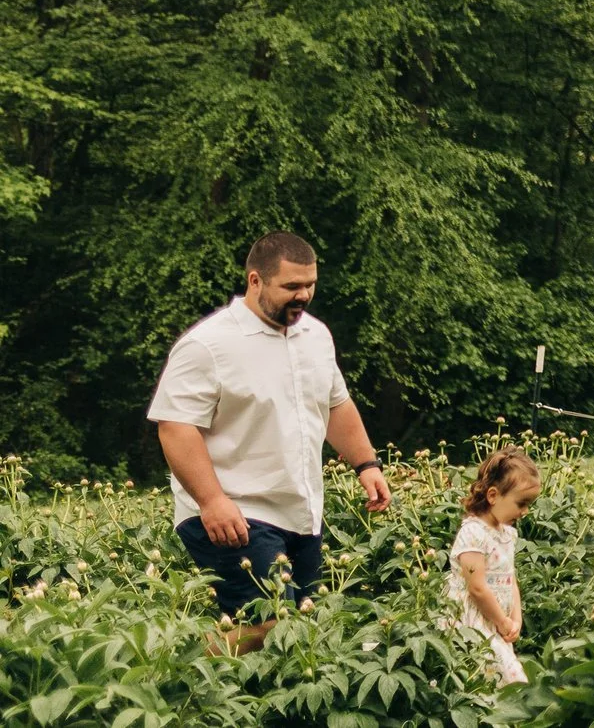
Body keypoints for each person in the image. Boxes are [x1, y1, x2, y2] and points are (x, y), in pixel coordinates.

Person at [146, 231, 392, 648]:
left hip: (301, 510)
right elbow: (175, 427)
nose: (304, 295)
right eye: (291, 286)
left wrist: (366, 464)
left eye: (310, 285)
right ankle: (170, 665)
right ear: (255, 280)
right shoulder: (208, 344)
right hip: (234, 509)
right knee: (274, 625)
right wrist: (212, 501)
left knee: (304, 630)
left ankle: (217, 678)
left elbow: (336, 404)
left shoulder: (317, 336)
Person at [447, 447, 540, 685]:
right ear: (492, 495)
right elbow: (476, 588)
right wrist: (501, 621)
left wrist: (515, 620)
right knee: (506, 680)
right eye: (521, 503)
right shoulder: (473, 534)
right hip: (473, 623)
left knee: (498, 679)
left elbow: (510, 578)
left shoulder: (507, 534)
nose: (525, 511)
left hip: (497, 622)